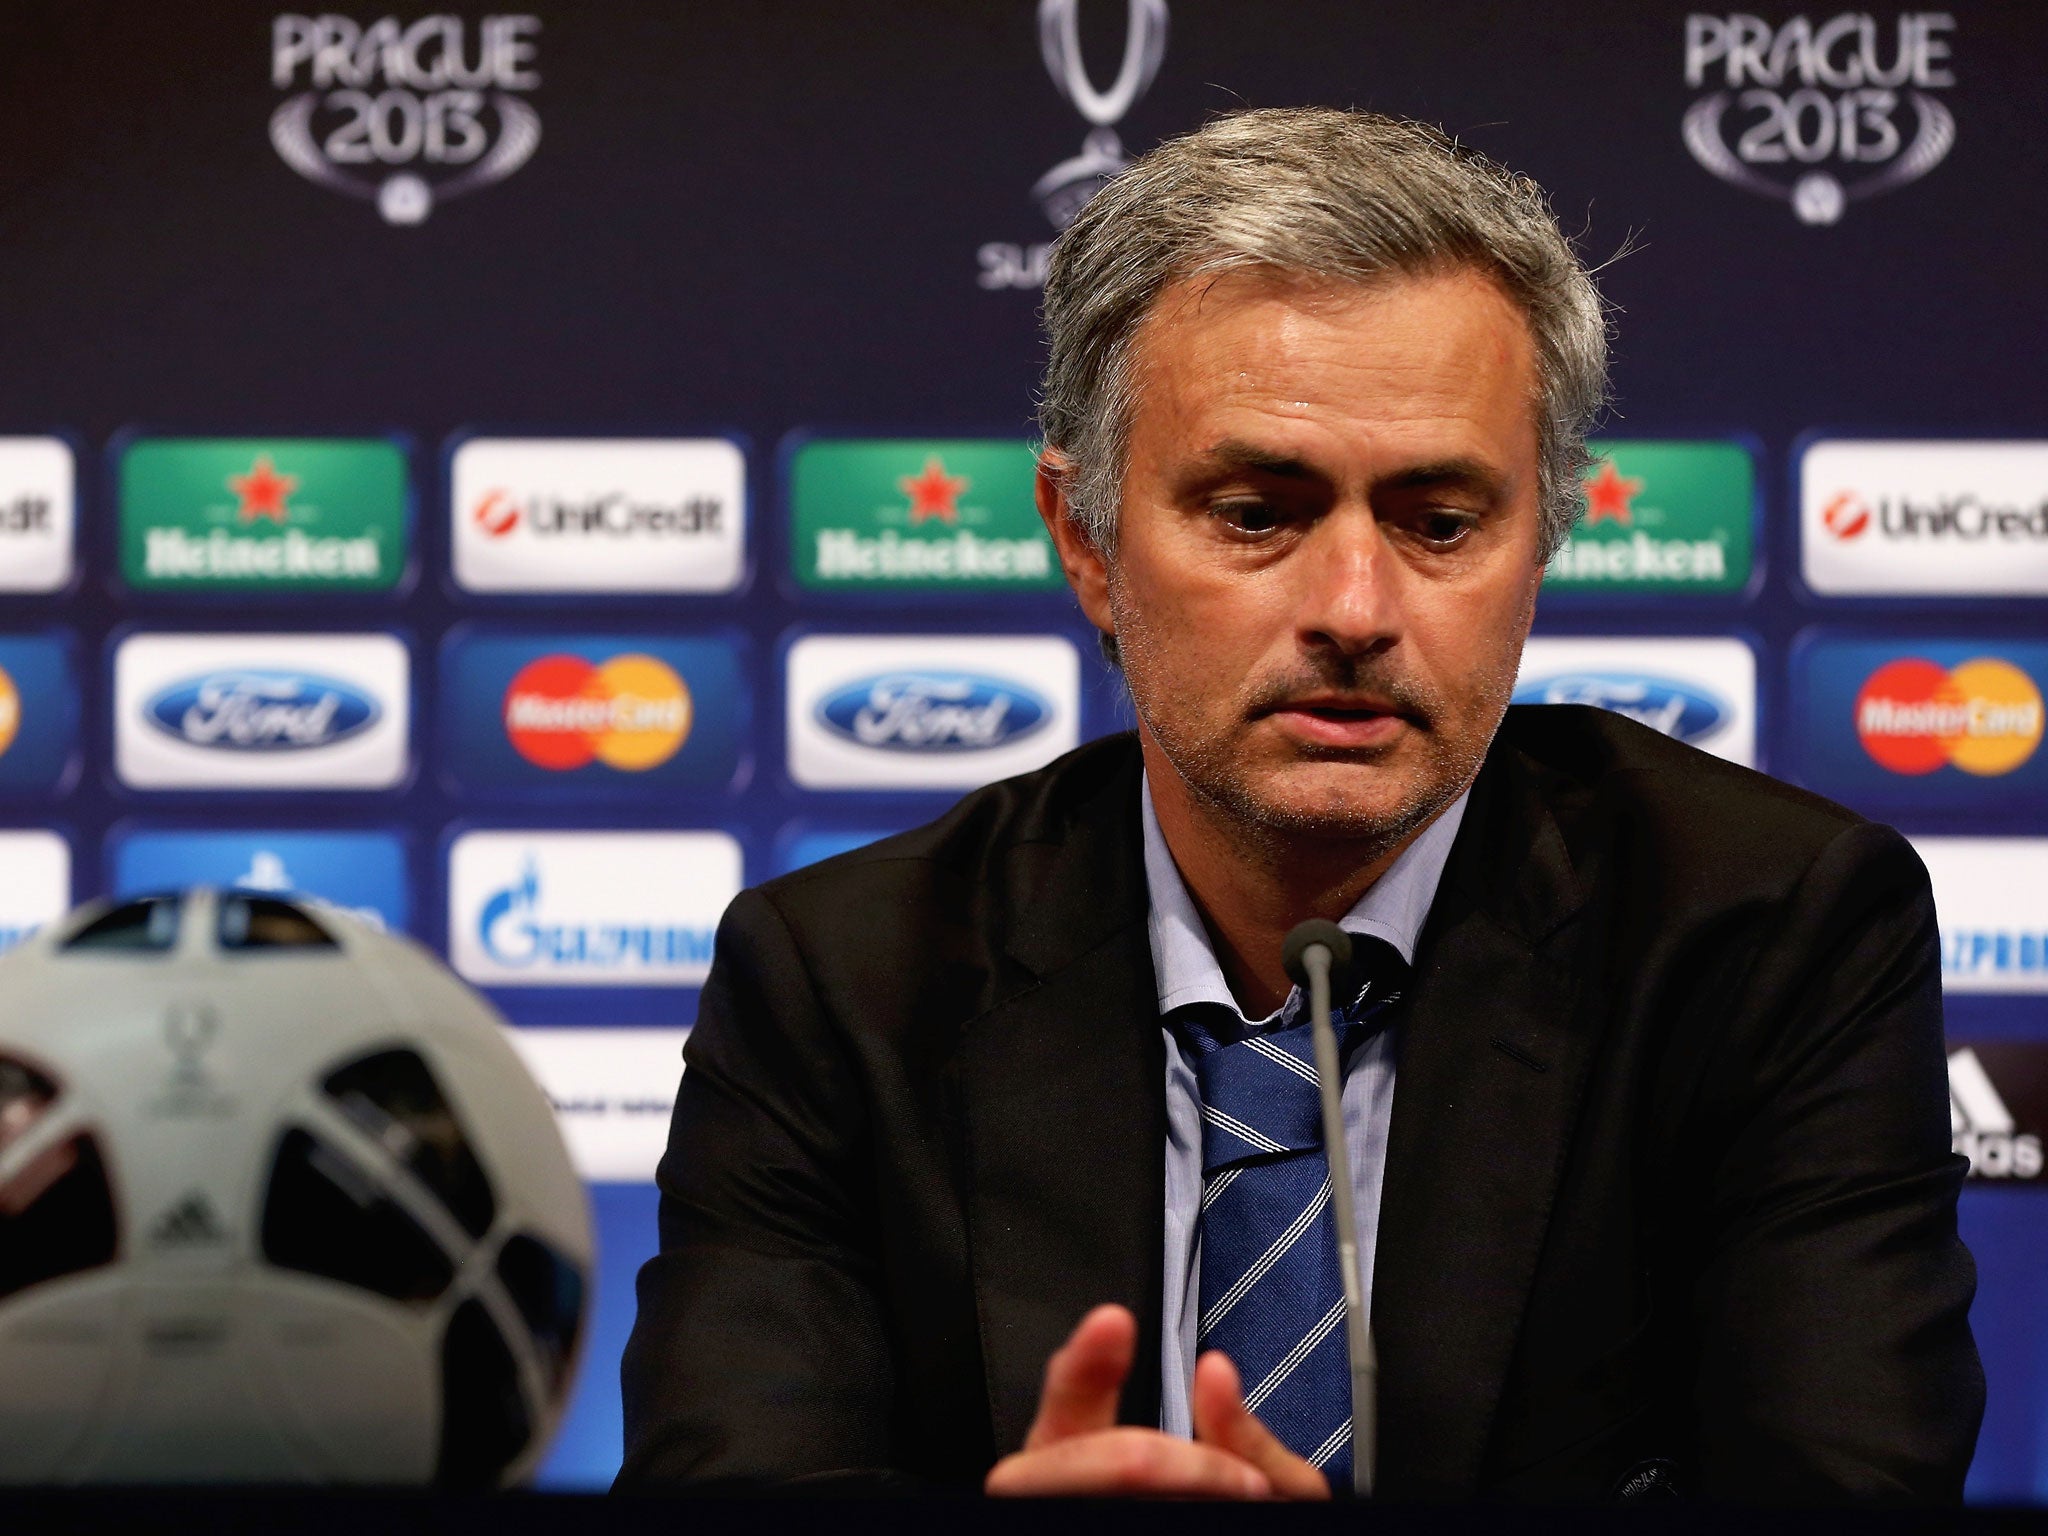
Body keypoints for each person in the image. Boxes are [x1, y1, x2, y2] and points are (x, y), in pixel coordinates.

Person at [618, 107, 1981, 1501]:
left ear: (1544, 543)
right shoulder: (843, 982)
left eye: (1440, 522)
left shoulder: (1769, 936)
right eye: (1258, 513)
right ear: (1085, 539)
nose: (1355, 611)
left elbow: (1843, 1489)